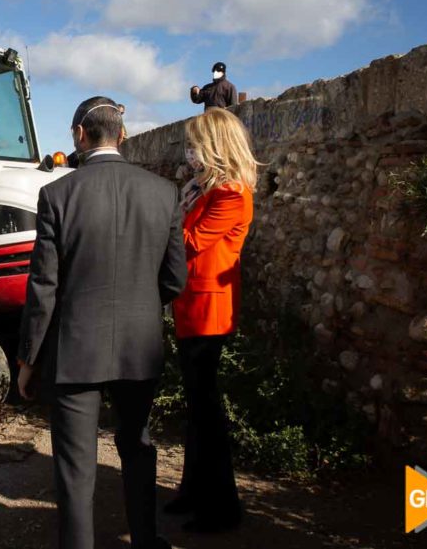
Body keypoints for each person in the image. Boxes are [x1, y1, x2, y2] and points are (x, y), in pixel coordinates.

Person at [18, 96, 187, 549]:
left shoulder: (56, 194)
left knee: (75, 465)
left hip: (76, 350)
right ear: (123, 135)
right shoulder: (164, 192)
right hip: (139, 343)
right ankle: (147, 539)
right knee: (138, 447)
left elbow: (43, 288)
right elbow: (174, 279)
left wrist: (28, 359)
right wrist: (141, 308)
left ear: (79, 135)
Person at [164, 107, 259, 533]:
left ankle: (221, 509)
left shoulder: (231, 194)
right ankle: (194, 492)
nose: (189, 152)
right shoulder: (202, 189)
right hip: (193, 304)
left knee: (206, 410)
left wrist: (160, 217)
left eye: (195, 144)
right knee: (197, 406)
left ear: (215, 146)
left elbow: (190, 242)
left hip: (209, 309)